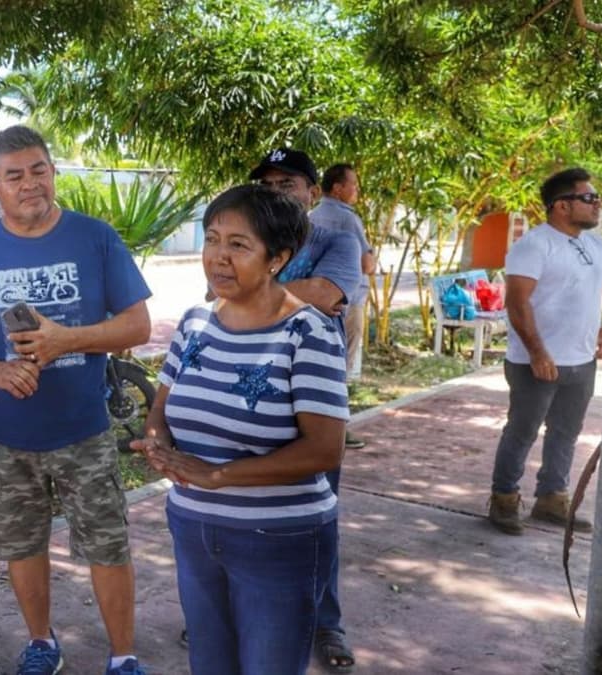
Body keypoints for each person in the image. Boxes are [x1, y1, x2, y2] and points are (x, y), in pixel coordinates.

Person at [0, 125, 151, 675]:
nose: (29, 184)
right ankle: (41, 643)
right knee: (23, 546)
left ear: (52, 173)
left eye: (38, 170)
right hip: (6, 437)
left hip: (84, 429)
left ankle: (123, 656)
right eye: (14, 175)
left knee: (107, 546)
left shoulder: (95, 238)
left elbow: (137, 324)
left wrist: (67, 340)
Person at [134, 183, 348, 675]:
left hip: (278, 537)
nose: (218, 257)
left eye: (239, 245)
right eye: (212, 239)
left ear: (278, 258)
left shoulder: (306, 333)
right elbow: (160, 414)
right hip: (193, 526)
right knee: (210, 663)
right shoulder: (193, 324)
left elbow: (323, 451)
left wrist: (219, 475)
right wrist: (158, 446)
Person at [249, 147, 361, 672]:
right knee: (245, 509)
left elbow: (329, 289)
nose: (276, 192)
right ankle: (242, 607)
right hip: (248, 394)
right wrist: (299, 295)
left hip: (313, 400)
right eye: (267, 184)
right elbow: (218, 295)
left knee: (317, 513)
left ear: (312, 193)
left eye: (287, 183)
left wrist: (255, 293)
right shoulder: (246, 240)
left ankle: (325, 622)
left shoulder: (337, 237)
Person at [487, 167, 602, 535]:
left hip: (582, 360)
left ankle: (551, 499)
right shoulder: (534, 245)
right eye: (589, 198)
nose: (597, 204)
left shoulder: (594, 245)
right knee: (522, 431)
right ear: (561, 205)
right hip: (536, 363)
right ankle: (504, 500)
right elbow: (517, 303)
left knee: (566, 431)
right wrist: (538, 353)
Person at [310, 163, 376, 385]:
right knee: (342, 361)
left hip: (315, 298)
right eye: (353, 185)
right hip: (348, 299)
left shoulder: (311, 215)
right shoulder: (348, 219)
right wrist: (373, 256)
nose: (357, 190)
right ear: (337, 188)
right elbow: (366, 264)